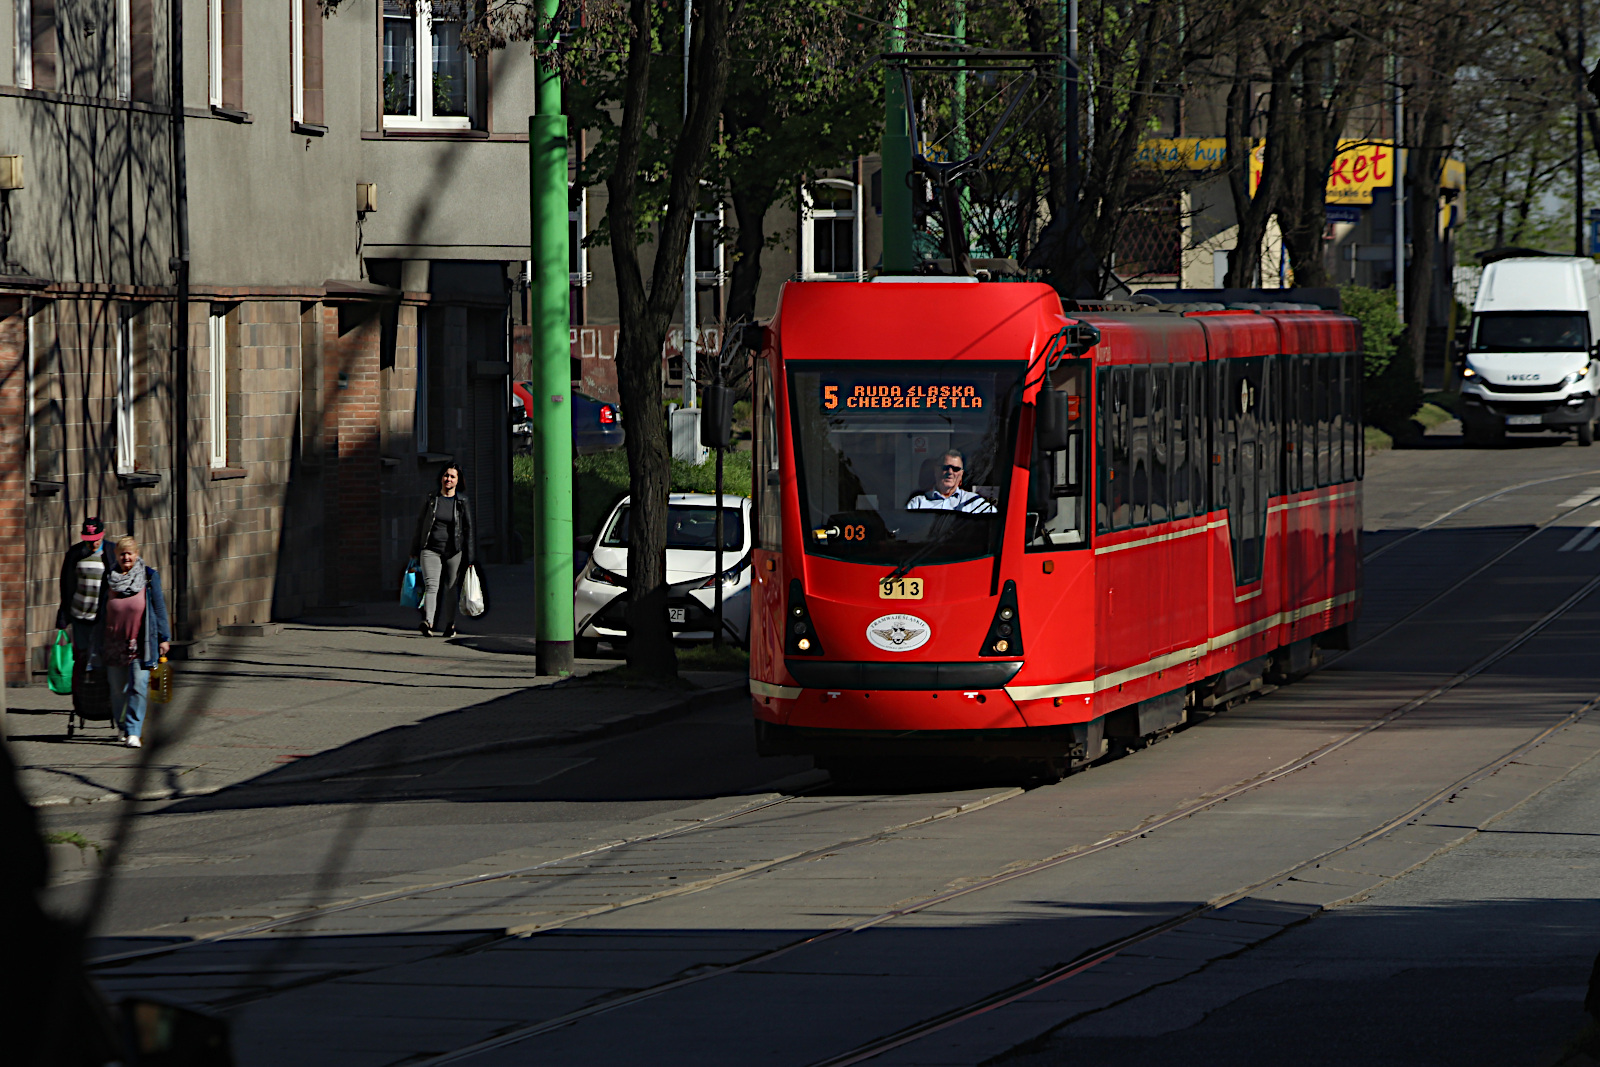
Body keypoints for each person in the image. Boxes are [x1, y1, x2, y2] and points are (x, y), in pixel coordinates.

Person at [92, 535, 171, 748]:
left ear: (137, 554)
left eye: (130, 553)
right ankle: (122, 725)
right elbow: (100, 609)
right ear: (116, 556)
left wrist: (164, 637)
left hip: (142, 642)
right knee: (118, 689)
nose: (126, 557)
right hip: (113, 642)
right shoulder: (109, 577)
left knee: (138, 685)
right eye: (122, 554)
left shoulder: (148, 577)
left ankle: (134, 731)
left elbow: (159, 608)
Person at [409, 464, 477, 638]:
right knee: (431, 585)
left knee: (450, 588)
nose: (448, 479)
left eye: (452, 477)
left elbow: (468, 529)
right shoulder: (432, 498)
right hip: (430, 549)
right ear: (441, 477)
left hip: (454, 551)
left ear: (458, 481)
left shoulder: (461, 502)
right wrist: (415, 548)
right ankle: (428, 622)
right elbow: (420, 524)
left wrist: (469, 556)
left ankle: (450, 624)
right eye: (446, 475)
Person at [56, 516, 108, 664]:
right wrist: (63, 616)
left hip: (102, 616)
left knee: (100, 658)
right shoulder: (75, 553)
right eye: (89, 539)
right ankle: (81, 687)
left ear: (103, 533)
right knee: (82, 657)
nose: (93, 543)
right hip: (79, 614)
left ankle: (99, 687)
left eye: (96, 539)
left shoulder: (110, 552)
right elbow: (66, 584)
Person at [906, 449, 997, 513]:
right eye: (945, 468)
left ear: (961, 474)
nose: (950, 472)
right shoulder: (918, 503)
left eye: (956, 469)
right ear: (936, 471)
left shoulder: (973, 502)